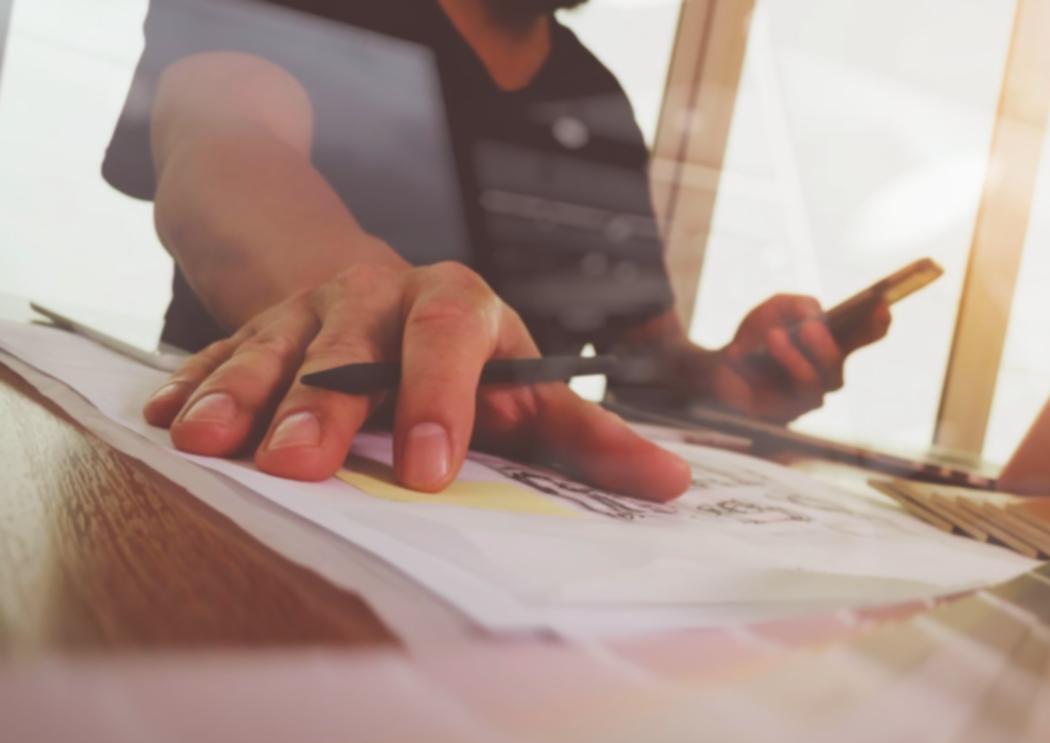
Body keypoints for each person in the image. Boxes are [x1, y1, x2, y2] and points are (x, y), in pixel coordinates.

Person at [105, 0, 892, 501]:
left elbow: (647, 351)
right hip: (235, 478)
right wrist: (357, 293)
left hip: (507, 531)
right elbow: (219, 146)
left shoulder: (597, 98)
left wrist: (729, 380)